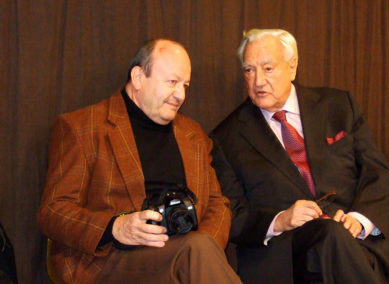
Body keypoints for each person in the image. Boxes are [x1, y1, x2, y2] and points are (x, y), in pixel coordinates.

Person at [38, 39, 242, 284]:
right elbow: (53, 211)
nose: (181, 94)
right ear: (137, 77)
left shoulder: (193, 134)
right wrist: (115, 227)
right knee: (194, 253)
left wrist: (203, 245)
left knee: (195, 251)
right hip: (110, 260)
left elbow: (218, 204)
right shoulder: (82, 128)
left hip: (185, 253)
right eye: (172, 82)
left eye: (185, 85)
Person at [210, 29, 389, 284]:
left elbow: (380, 175)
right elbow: (232, 215)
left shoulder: (338, 106)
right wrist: (281, 220)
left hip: (355, 245)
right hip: (285, 255)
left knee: (335, 237)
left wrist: (358, 219)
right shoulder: (226, 138)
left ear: (292, 67)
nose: (258, 81)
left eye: (268, 68)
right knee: (330, 234)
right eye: (248, 70)